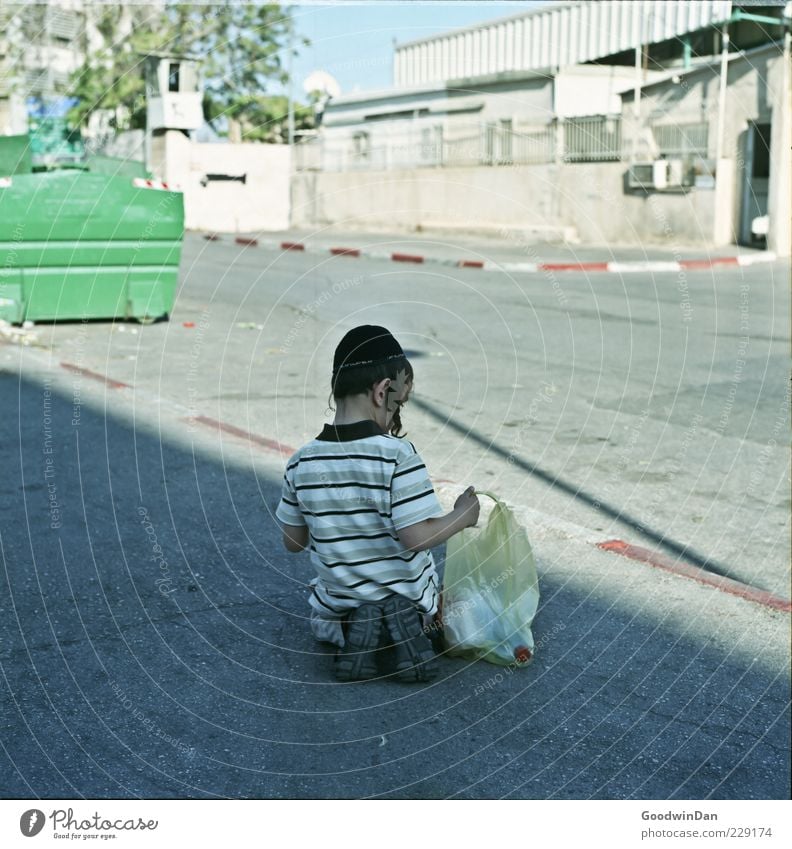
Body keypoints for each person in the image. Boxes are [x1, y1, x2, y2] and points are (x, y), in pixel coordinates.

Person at [276, 325, 480, 682]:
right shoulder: (397, 455)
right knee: (443, 604)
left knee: (330, 609)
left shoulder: (301, 462)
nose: (396, 415)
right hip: (411, 606)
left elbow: (293, 543)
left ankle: (357, 627)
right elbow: (416, 536)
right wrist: (462, 516)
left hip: (337, 614)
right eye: (398, 404)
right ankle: (407, 629)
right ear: (383, 391)